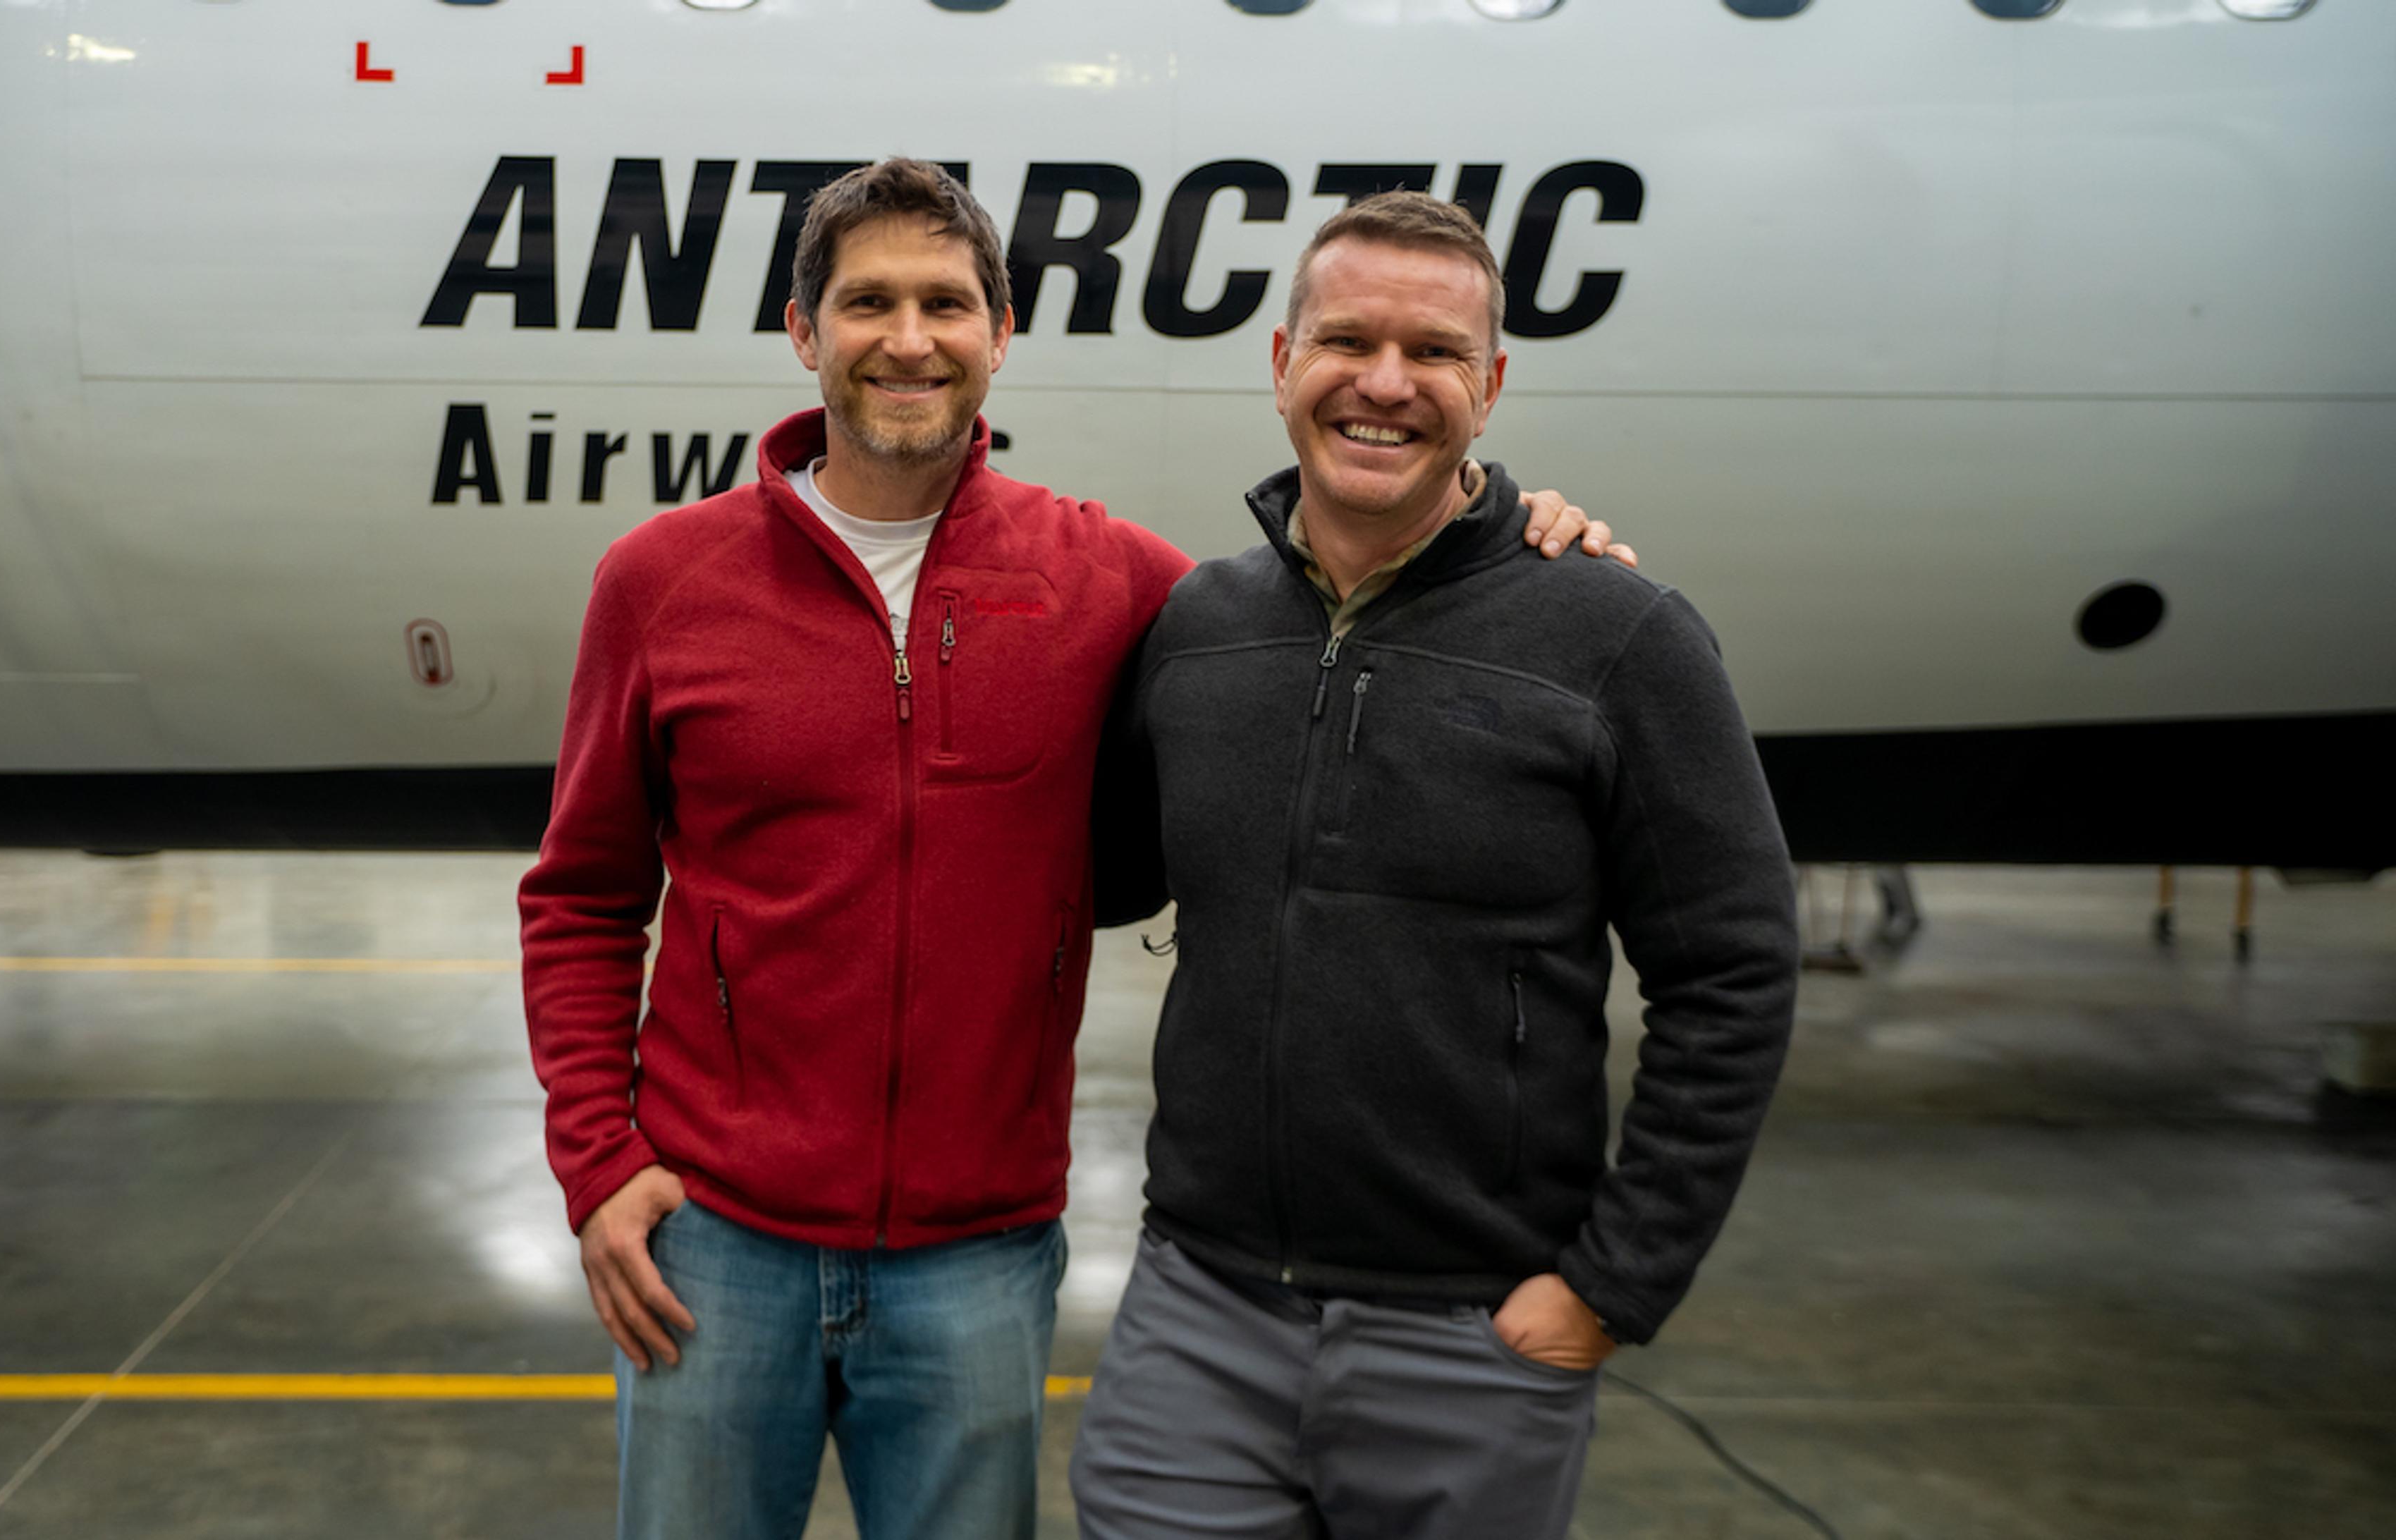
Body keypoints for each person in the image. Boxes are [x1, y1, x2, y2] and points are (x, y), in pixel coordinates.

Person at [518, 160, 1622, 1540]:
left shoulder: (1116, 582)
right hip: (715, 1243)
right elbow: (582, 896)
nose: (909, 340)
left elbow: (1340, 604)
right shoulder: (662, 581)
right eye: (868, 303)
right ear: (805, 332)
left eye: (945, 304)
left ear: (1001, 332)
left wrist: (1515, 542)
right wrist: (599, 1162)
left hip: (978, 1258)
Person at [1072, 191, 1800, 1540]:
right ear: (1283, 361)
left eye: (1436, 353)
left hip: (1471, 1336)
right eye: (1348, 340)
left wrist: (1611, 1288)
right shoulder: (1199, 629)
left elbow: (1734, 973)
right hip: (1199, 1309)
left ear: (1492, 386)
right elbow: (1092, 879)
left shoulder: (1618, 637)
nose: (1386, 383)